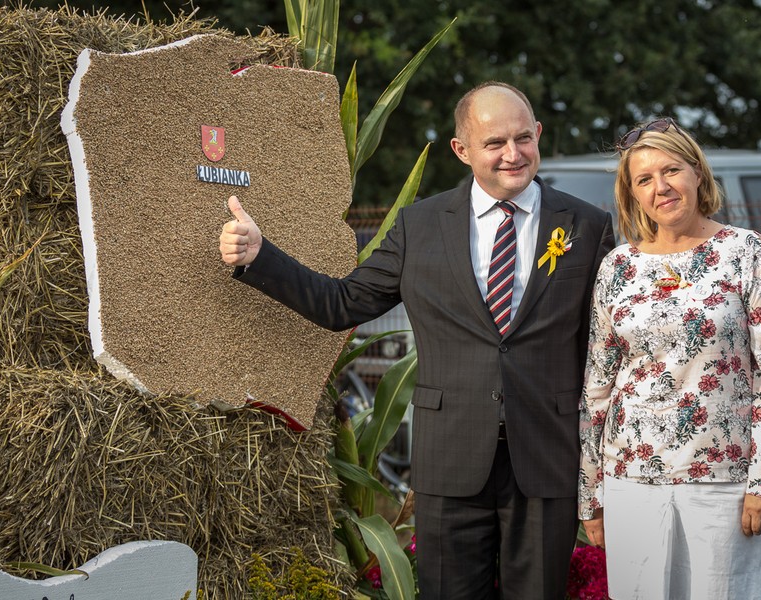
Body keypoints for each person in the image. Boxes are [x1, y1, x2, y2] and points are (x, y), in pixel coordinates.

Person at [220, 81, 614, 599]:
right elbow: (342, 304)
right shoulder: (418, 226)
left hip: (547, 459)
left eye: (523, 138)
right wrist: (259, 256)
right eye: (494, 143)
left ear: (539, 133)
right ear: (462, 150)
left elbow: (607, 349)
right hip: (451, 461)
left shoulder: (588, 226)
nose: (513, 154)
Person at [577, 117, 761, 599]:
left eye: (671, 171)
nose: (660, 187)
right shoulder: (617, 267)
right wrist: (591, 496)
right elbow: (598, 388)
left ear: (697, 174)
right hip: (631, 482)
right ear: (631, 194)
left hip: (724, 485)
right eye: (643, 179)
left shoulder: (746, 251)